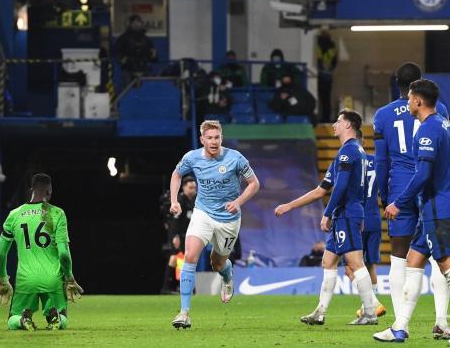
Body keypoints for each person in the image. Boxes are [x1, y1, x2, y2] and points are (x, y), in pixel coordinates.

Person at [374, 79, 450, 344]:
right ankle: (399, 327)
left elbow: (423, 174)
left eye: (410, 98)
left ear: (418, 101)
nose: (408, 102)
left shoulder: (427, 130)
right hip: (438, 206)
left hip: (437, 208)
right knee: (414, 260)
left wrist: (399, 202)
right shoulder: (446, 125)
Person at [373, 61, 450, 339]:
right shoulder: (438, 109)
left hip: (400, 187)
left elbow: (381, 161)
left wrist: (384, 194)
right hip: (430, 184)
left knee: (399, 256)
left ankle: (400, 324)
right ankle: (441, 321)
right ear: (418, 83)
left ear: (396, 82)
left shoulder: (382, 115)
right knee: (439, 256)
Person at [275, 112, 378, 326]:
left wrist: (327, 213)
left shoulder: (349, 151)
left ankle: (370, 312)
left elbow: (340, 187)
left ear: (348, 125)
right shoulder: (349, 152)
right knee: (328, 261)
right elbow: (320, 190)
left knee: (355, 262)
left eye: (338, 121)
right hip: (344, 213)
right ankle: (320, 312)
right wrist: (290, 206)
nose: (334, 125)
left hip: (347, 213)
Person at [170, 120, 260, 329]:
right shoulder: (192, 157)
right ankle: (184, 313)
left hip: (228, 220)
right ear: (202, 139)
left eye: (217, 137)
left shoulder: (235, 158)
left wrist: (238, 202)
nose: (213, 141)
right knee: (190, 256)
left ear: (221, 138)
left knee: (217, 264)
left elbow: (254, 183)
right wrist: (174, 200)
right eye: (209, 138)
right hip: (203, 214)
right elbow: (176, 174)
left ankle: (227, 276)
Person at [0, 173, 83, 331]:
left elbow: (0, 254)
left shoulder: (14, 214)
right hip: (53, 279)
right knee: (62, 317)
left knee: (12, 319)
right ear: (49, 191)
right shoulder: (57, 213)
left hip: (26, 280)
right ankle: (55, 317)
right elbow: (63, 254)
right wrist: (69, 278)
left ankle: (22, 320)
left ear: (31, 191)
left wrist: (2, 279)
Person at [347, 130, 385, 320]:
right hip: (374, 218)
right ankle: (369, 310)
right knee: (370, 265)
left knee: (350, 266)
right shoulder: (377, 162)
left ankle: (372, 303)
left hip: (356, 218)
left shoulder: (351, 161)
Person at [161, 176, 197, 294]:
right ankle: (167, 288)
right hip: (177, 234)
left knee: (183, 260)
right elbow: (175, 220)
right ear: (184, 188)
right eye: (190, 187)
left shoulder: (194, 201)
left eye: (194, 188)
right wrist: (175, 236)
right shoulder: (180, 201)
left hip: (187, 235)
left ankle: (181, 286)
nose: (193, 190)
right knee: (175, 257)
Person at [113, 14, 157, 87]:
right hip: (129, 69)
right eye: (134, 22)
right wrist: (122, 59)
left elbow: (152, 53)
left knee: (144, 89)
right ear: (130, 24)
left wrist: (153, 55)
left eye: (138, 22)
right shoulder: (124, 38)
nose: (137, 24)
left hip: (143, 69)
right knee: (128, 90)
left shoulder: (145, 39)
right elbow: (116, 51)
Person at [316, 30, 338, 123]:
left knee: (322, 97)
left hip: (320, 73)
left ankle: (323, 117)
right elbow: (334, 61)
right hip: (328, 74)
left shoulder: (318, 44)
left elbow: (319, 59)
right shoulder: (332, 46)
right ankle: (326, 117)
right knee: (326, 98)